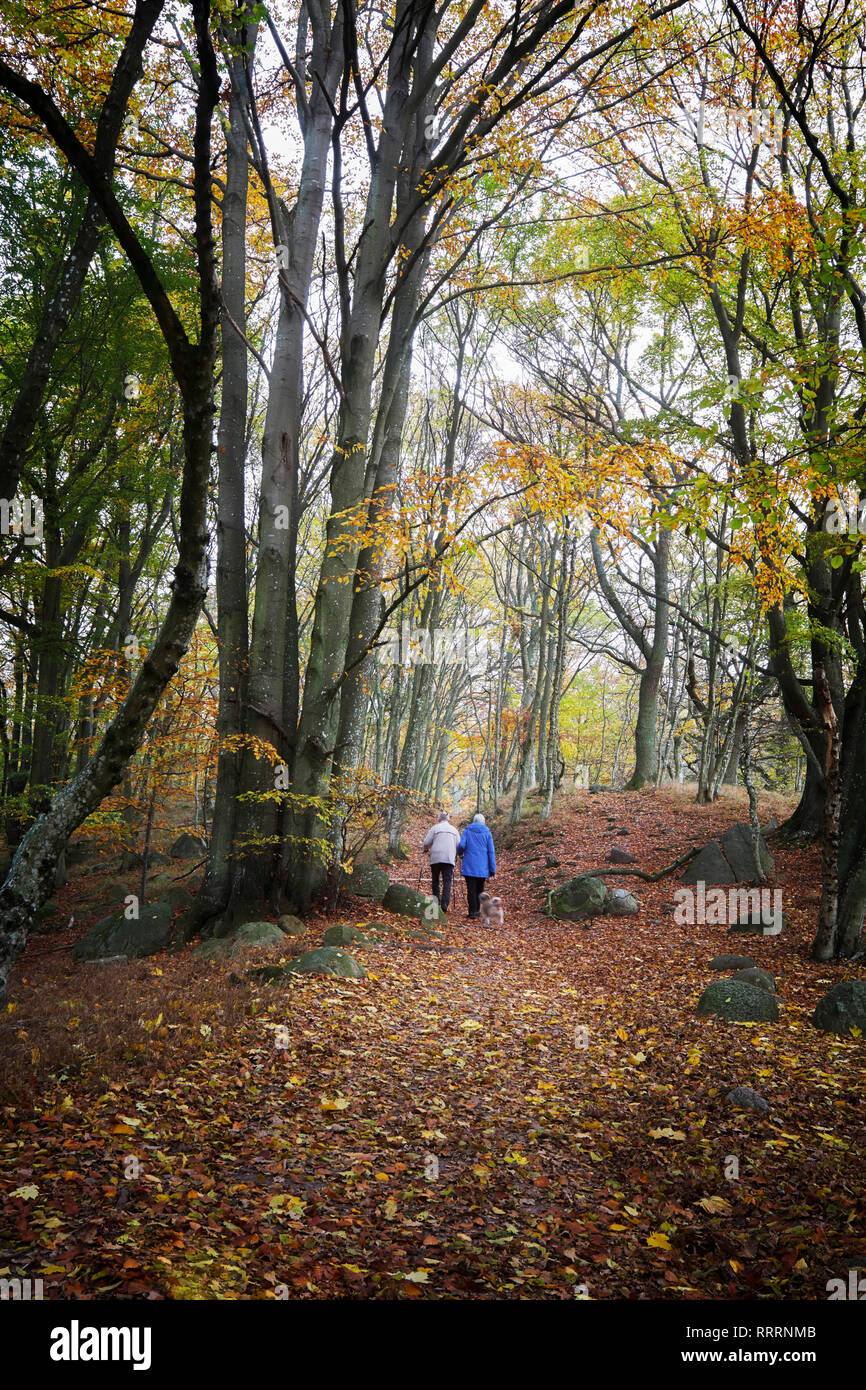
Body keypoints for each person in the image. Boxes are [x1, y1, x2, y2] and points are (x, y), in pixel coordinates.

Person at [457, 812, 496, 920]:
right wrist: (492, 869)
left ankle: (472, 911)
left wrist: (460, 853)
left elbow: (461, 845)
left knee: (471, 889)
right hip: (482, 866)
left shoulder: (467, 831)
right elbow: (491, 851)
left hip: (469, 864)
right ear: (483, 822)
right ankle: (477, 910)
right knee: (480, 889)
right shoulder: (487, 833)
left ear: (473, 821)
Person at [422, 811, 460, 913]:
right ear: (448, 819)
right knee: (447, 881)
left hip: (436, 858)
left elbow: (426, 842)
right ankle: (444, 904)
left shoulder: (435, 828)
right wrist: (457, 854)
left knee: (435, 881)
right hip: (448, 858)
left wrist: (426, 849)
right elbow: (459, 845)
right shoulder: (454, 830)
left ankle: (436, 902)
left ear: (439, 819)